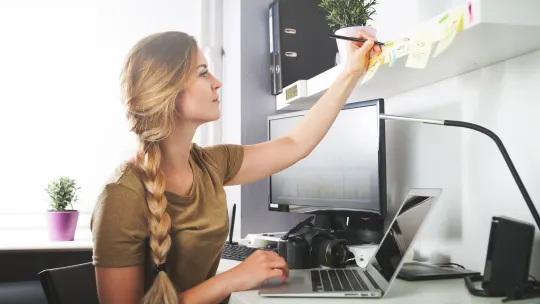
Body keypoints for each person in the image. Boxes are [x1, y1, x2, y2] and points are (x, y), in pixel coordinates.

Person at [90, 29, 381, 304]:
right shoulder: (121, 197)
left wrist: (351, 71)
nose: (217, 82)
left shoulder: (210, 164)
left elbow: (296, 143)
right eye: (203, 73)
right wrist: (230, 280)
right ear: (169, 92)